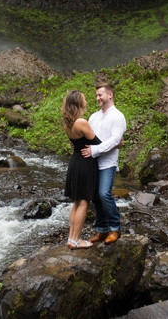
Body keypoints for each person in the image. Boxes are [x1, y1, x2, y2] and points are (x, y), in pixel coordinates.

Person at [81, 82, 127, 244]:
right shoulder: (94, 117)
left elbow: (115, 140)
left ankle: (115, 228)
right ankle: (101, 229)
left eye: (100, 95)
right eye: (96, 95)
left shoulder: (118, 116)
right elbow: (88, 137)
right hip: (92, 163)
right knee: (95, 197)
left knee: (104, 193)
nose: (97, 98)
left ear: (110, 95)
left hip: (108, 163)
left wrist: (95, 150)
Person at [62, 90, 102, 249]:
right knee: (84, 202)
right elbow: (98, 144)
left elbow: (76, 144)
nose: (86, 101)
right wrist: (116, 143)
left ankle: (71, 238)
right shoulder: (81, 122)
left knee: (77, 202)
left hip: (76, 161)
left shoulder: (68, 124)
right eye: (84, 99)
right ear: (78, 103)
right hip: (85, 163)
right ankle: (76, 240)